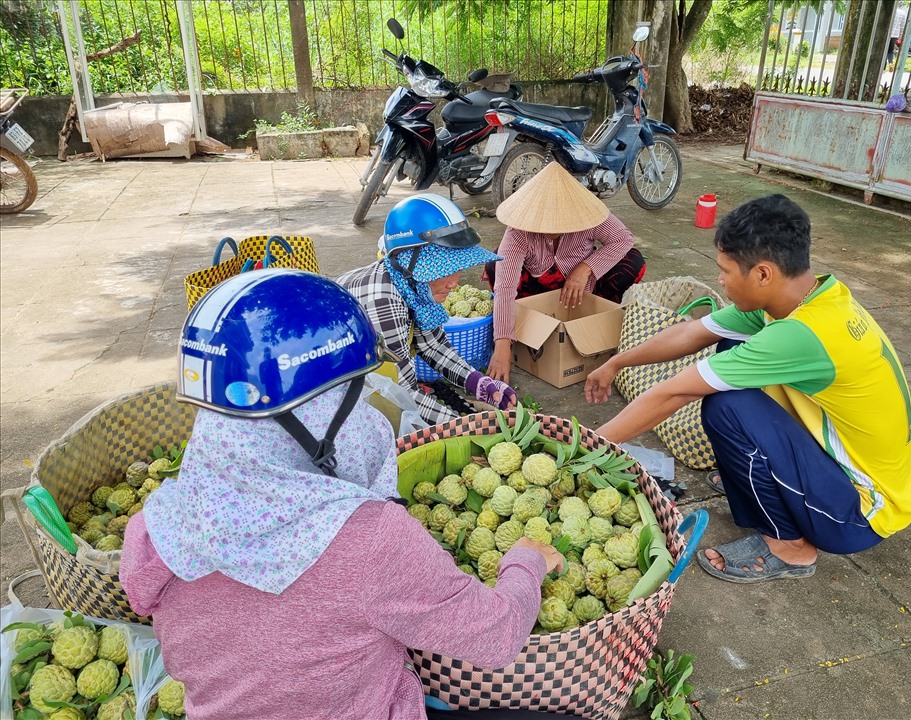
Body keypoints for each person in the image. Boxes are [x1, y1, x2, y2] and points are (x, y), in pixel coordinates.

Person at [120, 269, 565, 720]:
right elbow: (497, 637)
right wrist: (526, 562)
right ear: (320, 414)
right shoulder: (372, 542)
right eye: (355, 392)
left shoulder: (157, 527)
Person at [584, 194, 911, 583]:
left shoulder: (802, 334)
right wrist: (617, 361)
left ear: (762, 274)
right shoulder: (806, 297)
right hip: (846, 470)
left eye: (724, 271)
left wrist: (588, 447)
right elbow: (693, 332)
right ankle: (760, 478)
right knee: (729, 349)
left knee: (727, 405)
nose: (720, 280)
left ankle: (791, 548)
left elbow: (676, 392)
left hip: (859, 513)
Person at [337, 193, 517, 425]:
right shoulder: (382, 302)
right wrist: (467, 427)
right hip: (331, 390)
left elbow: (432, 345)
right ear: (408, 264)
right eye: (441, 271)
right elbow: (402, 395)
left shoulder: (410, 284)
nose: (453, 282)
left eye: (457, 268)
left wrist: (478, 383)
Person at [483, 162, 646, 384]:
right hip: (537, 288)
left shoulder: (589, 216)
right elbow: (505, 287)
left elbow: (622, 238)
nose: (551, 228)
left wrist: (585, 268)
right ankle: (528, 319)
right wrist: (502, 343)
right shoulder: (518, 233)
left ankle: (598, 313)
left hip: (582, 287)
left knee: (633, 261)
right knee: (495, 263)